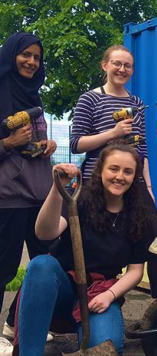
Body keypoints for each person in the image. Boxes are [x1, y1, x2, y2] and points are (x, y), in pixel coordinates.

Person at [17, 143, 157, 355]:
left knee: (107, 346)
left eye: (127, 171)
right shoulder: (80, 198)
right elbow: (45, 233)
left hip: (99, 293)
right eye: (114, 168)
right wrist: (57, 189)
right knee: (41, 265)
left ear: (134, 176)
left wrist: (109, 295)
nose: (120, 176)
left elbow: (135, 271)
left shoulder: (139, 213)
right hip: (59, 289)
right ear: (101, 169)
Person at [70, 45, 157, 298]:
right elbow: (76, 144)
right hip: (95, 184)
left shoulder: (136, 104)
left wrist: (148, 187)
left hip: (132, 183)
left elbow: (141, 148)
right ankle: (86, 295)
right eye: (117, 63)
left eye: (127, 65)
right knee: (86, 243)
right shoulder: (89, 99)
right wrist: (112, 133)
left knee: (156, 239)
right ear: (105, 65)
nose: (122, 69)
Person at [0, 32, 57, 352]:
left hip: (39, 194)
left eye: (37, 57)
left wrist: (46, 146)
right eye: (26, 55)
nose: (32, 62)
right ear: (11, 55)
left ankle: (16, 323)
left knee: (42, 264)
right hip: (7, 195)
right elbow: (12, 144)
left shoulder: (33, 96)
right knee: (3, 267)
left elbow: (32, 142)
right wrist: (8, 143)